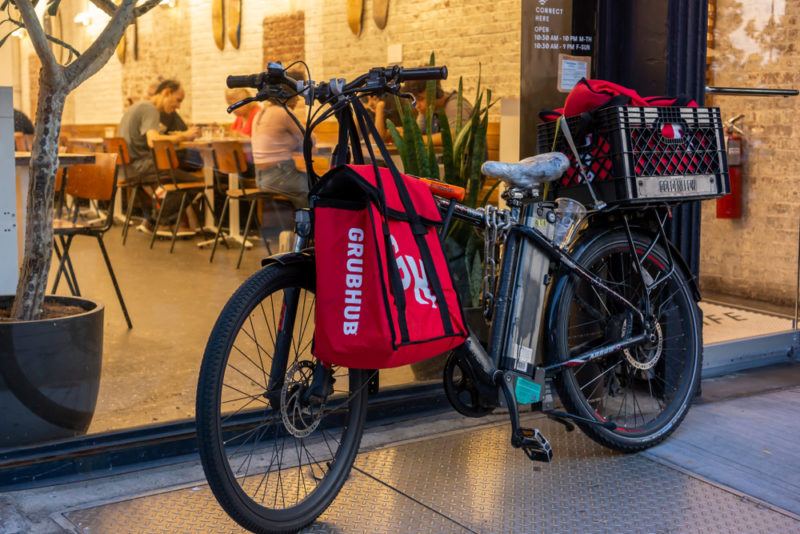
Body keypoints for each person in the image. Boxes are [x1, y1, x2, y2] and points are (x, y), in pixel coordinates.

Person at [118, 79, 201, 234]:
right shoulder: (150, 109)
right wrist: (184, 136)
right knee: (196, 182)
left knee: (174, 177)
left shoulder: (137, 107)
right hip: (140, 167)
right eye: (178, 100)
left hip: (126, 169)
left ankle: (152, 221)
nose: (178, 106)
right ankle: (163, 223)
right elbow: (153, 140)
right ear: (166, 92)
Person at [250, 71, 314, 242]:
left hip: (262, 177)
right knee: (316, 188)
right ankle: (312, 237)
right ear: (288, 93)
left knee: (306, 191)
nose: (299, 99)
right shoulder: (282, 113)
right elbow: (310, 141)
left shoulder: (261, 113)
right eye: (297, 95)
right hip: (279, 175)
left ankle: (304, 236)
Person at [374, 80, 473, 145]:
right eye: (414, 99)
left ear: (435, 92)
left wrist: (417, 140)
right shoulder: (426, 110)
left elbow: (455, 136)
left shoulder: (455, 105)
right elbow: (417, 133)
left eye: (420, 99)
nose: (416, 105)